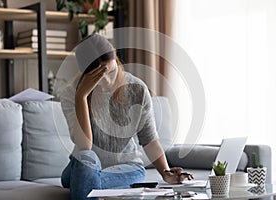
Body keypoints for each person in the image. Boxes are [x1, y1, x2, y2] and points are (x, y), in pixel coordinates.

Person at [60, 34, 193, 200]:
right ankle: (84, 182)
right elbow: (85, 145)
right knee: (87, 160)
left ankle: (83, 184)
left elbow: (149, 140)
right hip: (83, 165)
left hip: (127, 168)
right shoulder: (71, 93)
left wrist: (166, 173)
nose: (107, 81)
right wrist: (81, 96)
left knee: (84, 182)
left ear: (116, 59)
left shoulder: (137, 89)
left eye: (111, 71)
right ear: (84, 73)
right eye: (99, 76)